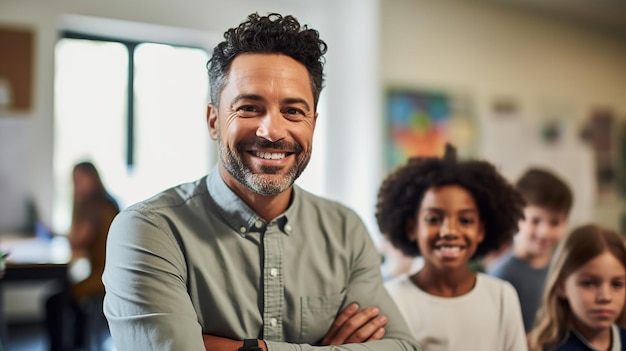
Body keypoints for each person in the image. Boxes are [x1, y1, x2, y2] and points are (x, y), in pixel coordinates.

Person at [102, 12, 420, 351]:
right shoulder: (149, 231)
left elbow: (402, 346)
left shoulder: (346, 230)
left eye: (293, 111)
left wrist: (251, 349)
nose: (272, 131)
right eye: (249, 108)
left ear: (313, 122)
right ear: (213, 121)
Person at [378, 144, 528, 351]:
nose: (449, 231)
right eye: (433, 219)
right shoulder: (391, 300)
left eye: (465, 220)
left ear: (481, 230)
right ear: (412, 228)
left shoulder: (502, 297)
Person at [45, 161, 119, 351]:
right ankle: (78, 339)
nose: (76, 185)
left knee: (55, 300)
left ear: (92, 178)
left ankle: (66, 345)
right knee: (65, 293)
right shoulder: (107, 201)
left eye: (79, 179)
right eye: (74, 180)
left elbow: (77, 241)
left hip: (102, 279)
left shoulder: (95, 205)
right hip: (112, 275)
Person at [487, 168, 573, 331]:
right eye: (535, 221)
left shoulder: (565, 267)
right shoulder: (501, 275)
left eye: (554, 222)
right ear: (515, 217)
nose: (544, 232)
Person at [527, 224, 626, 351]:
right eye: (589, 283)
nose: (605, 297)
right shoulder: (547, 348)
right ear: (562, 286)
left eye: (617, 284)